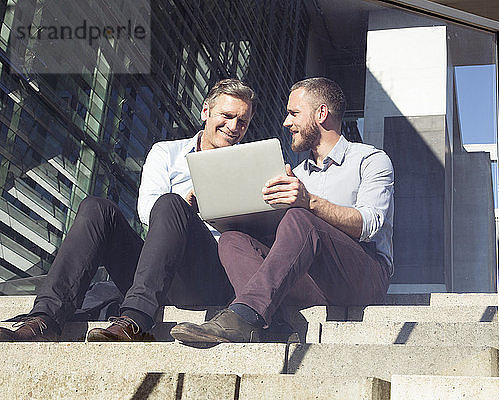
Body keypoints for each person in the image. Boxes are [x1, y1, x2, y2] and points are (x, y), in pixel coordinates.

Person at [0, 79, 255, 342]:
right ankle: (45, 320)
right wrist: (185, 203)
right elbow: (146, 212)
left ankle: (135, 320)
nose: (234, 127)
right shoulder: (167, 152)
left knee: (170, 203)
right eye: (227, 116)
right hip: (156, 269)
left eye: (243, 122)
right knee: (97, 208)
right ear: (206, 112)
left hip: (207, 276)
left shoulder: (250, 167)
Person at [170, 77, 393, 343]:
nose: (286, 122)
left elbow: (369, 224)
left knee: (301, 217)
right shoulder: (294, 175)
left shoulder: (371, 160)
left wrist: (308, 201)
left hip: (363, 278)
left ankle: (244, 315)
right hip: (309, 282)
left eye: (293, 113)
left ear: (321, 113)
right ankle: (273, 325)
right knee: (232, 240)